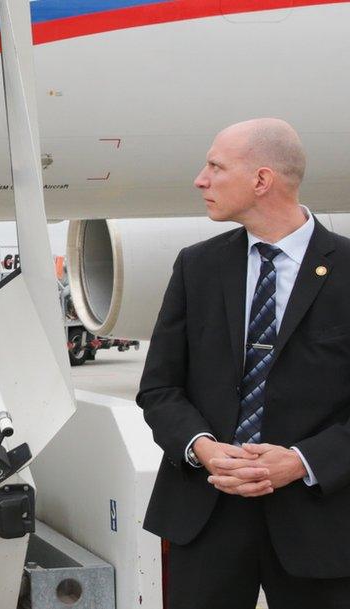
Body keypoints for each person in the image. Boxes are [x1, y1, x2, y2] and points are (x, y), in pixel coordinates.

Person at [138, 118, 350, 608]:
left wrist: (300, 462)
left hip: (320, 524)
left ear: (261, 180)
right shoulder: (197, 266)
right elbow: (159, 388)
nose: (200, 179)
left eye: (215, 166)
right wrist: (203, 447)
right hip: (207, 513)